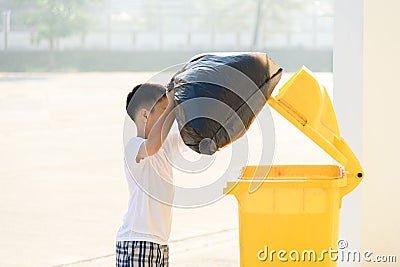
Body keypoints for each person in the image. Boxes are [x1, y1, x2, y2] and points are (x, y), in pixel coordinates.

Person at [116, 83, 187, 267]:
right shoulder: (134, 146)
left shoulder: (166, 147)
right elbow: (152, 146)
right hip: (137, 240)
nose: (168, 118)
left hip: (160, 242)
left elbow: (190, 135)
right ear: (145, 115)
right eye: (164, 112)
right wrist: (171, 104)